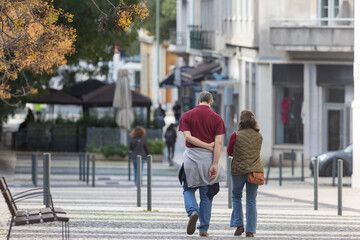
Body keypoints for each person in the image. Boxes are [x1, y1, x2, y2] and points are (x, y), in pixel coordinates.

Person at [178, 91, 227, 237]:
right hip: (208, 160)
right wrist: (215, 164)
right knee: (206, 195)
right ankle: (204, 229)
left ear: (198, 101)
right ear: (211, 102)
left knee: (188, 189)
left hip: (191, 159)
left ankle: (193, 211)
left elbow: (187, 137)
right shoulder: (217, 118)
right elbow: (218, 144)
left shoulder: (187, 115)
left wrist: (203, 145)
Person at [227, 110, 263, 238]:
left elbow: (229, 152)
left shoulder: (235, 135)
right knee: (251, 199)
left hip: (239, 170)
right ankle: (250, 230)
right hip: (255, 170)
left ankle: (239, 225)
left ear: (241, 121)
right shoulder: (259, 136)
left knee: (236, 196)